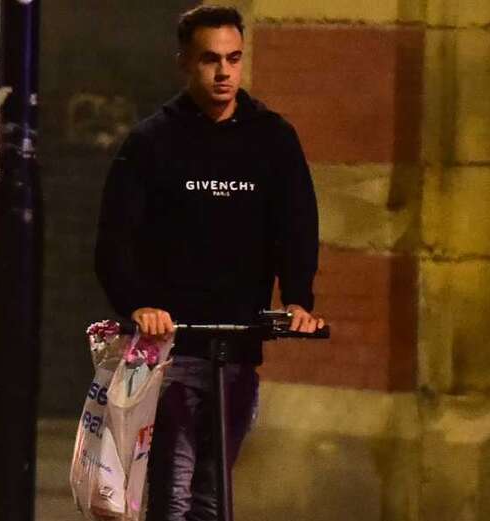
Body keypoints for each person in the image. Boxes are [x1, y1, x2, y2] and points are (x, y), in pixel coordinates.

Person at [94, 5, 325, 520]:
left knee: (213, 497)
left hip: (237, 350)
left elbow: (297, 226)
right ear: (184, 62)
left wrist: (298, 301)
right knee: (173, 497)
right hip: (169, 353)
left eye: (233, 58)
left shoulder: (272, 138)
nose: (224, 72)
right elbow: (114, 245)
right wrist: (140, 306)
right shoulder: (152, 142)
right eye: (210, 59)